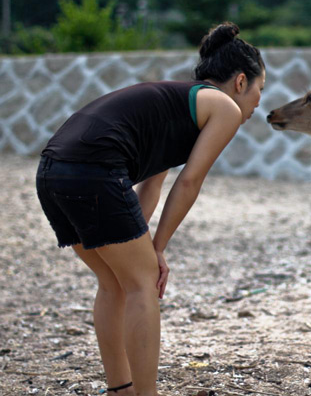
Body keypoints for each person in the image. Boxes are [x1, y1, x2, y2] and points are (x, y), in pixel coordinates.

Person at [35, 22, 265, 396]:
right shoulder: (224, 107)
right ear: (241, 82)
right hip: (93, 171)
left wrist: (145, 245)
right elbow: (189, 182)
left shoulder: (175, 101)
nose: (257, 102)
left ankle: (121, 390)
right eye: (259, 89)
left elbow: (152, 184)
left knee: (115, 282)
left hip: (51, 172)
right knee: (143, 283)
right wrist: (155, 251)